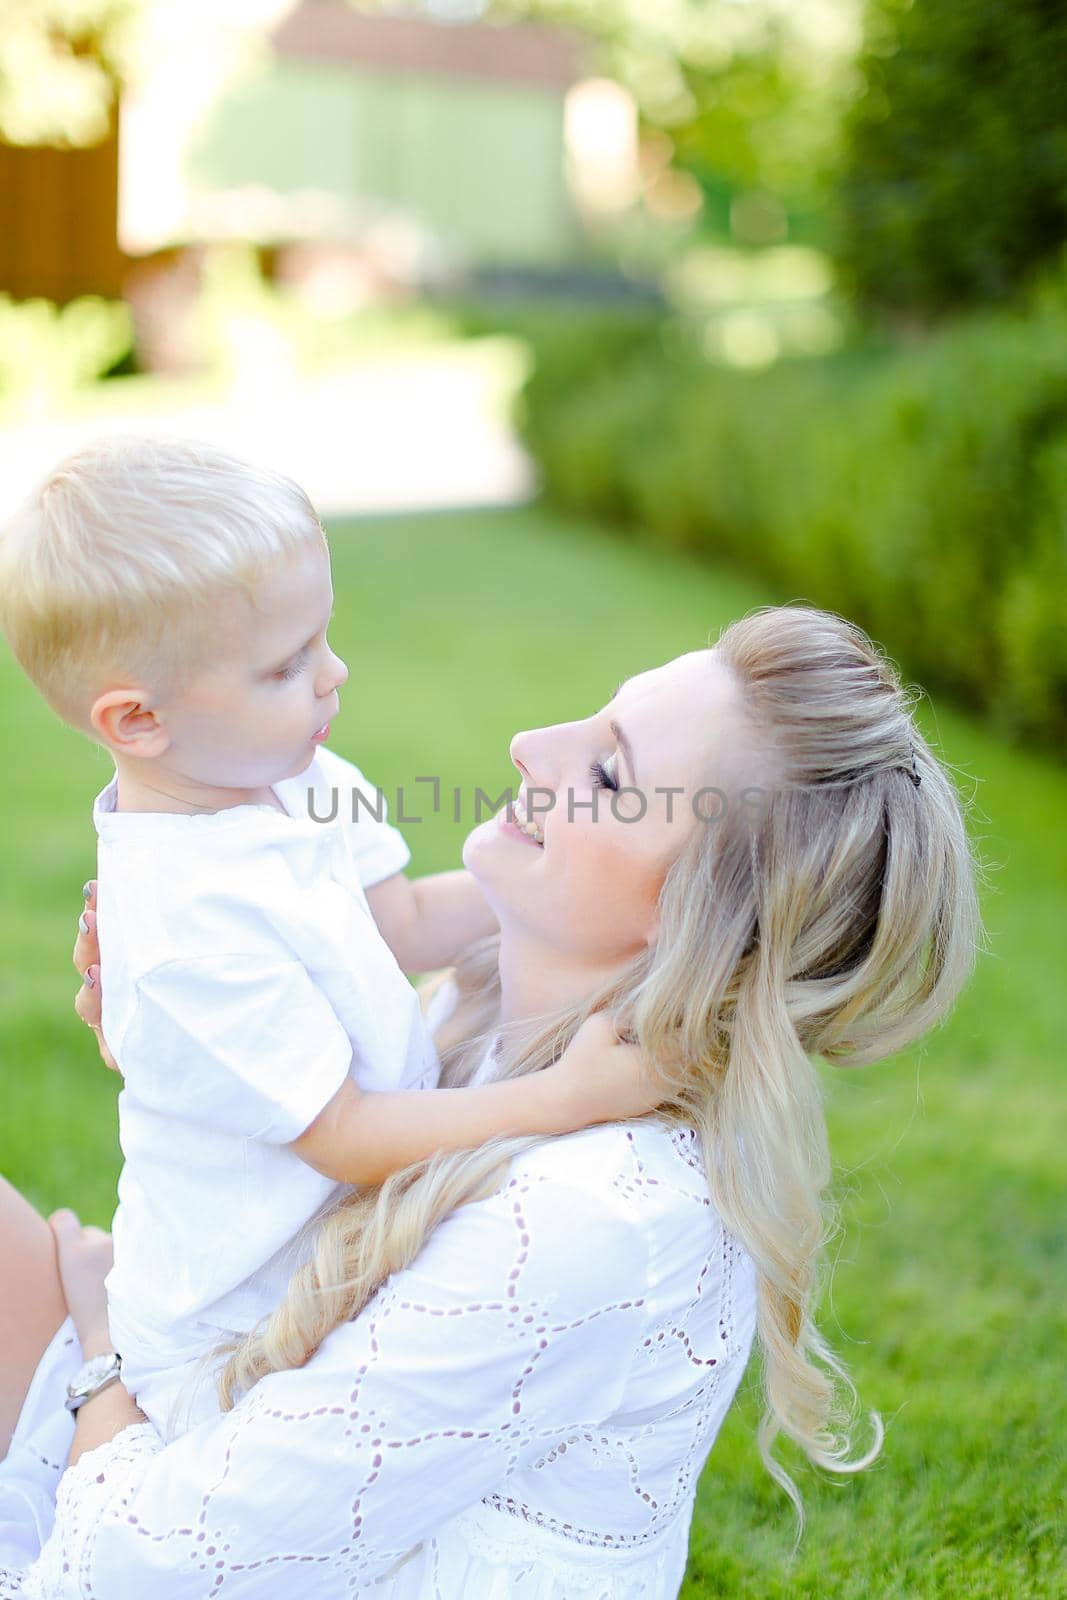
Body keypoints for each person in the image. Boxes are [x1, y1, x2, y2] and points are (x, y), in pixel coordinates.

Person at [0, 606, 982, 1597]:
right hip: (207, 1433)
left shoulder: (588, 1217)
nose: (529, 747)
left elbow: (134, 1571)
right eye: (594, 718)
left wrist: (101, 1355)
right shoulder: (481, 1021)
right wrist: (195, 1051)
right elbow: (315, 1170)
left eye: (606, 772)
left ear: (695, 916)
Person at [0, 437, 652, 1442]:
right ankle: (101, 1378)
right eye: (286, 663)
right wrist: (560, 1099)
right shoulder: (186, 924)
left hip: (339, 1255)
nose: (333, 674)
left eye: (323, 637)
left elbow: (404, 925)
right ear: (137, 721)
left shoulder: (298, 777)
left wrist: (581, 865)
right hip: (234, 1328)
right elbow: (343, 1136)